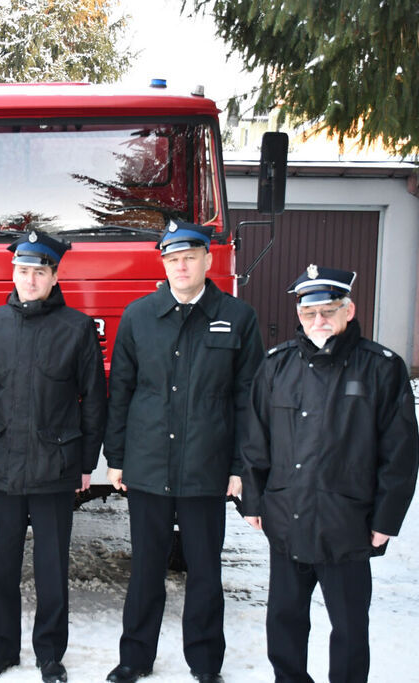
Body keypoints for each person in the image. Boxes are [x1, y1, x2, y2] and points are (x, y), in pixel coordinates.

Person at [240, 265, 419, 683]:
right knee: (283, 622)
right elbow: (254, 440)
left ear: (349, 310)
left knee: (351, 628)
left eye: (328, 311)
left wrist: (386, 519)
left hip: (349, 523)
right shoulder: (276, 366)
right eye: (309, 313)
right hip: (287, 517)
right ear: (298, 315)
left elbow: (400, 452)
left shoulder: (380, 368)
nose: (318, 321)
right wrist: (253, 499)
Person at [104, 221, 264, 683]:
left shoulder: (237, 317)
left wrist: (240, 467)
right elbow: (123, 391)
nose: (181, 266)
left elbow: (247, 398)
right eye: (172, 259)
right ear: (164, 265)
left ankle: (205, 662)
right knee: (146, 572)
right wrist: (116, 458)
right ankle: (135, 658)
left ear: (208, 261)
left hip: (206, 469)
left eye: (189, 257)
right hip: (149, 466)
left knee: (206, 574)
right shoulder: (139, 315)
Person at [0, 231, 107, 683]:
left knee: (52, 569)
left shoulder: (77, 328)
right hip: (3, 465)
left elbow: (95, 400)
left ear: (54, 276)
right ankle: (2, 649)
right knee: (1, 567)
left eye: (39, 272)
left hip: (55, 468)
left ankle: (50, 653)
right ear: (14, 273)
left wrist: (86, 464)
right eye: (23, 271)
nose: (30, 279)